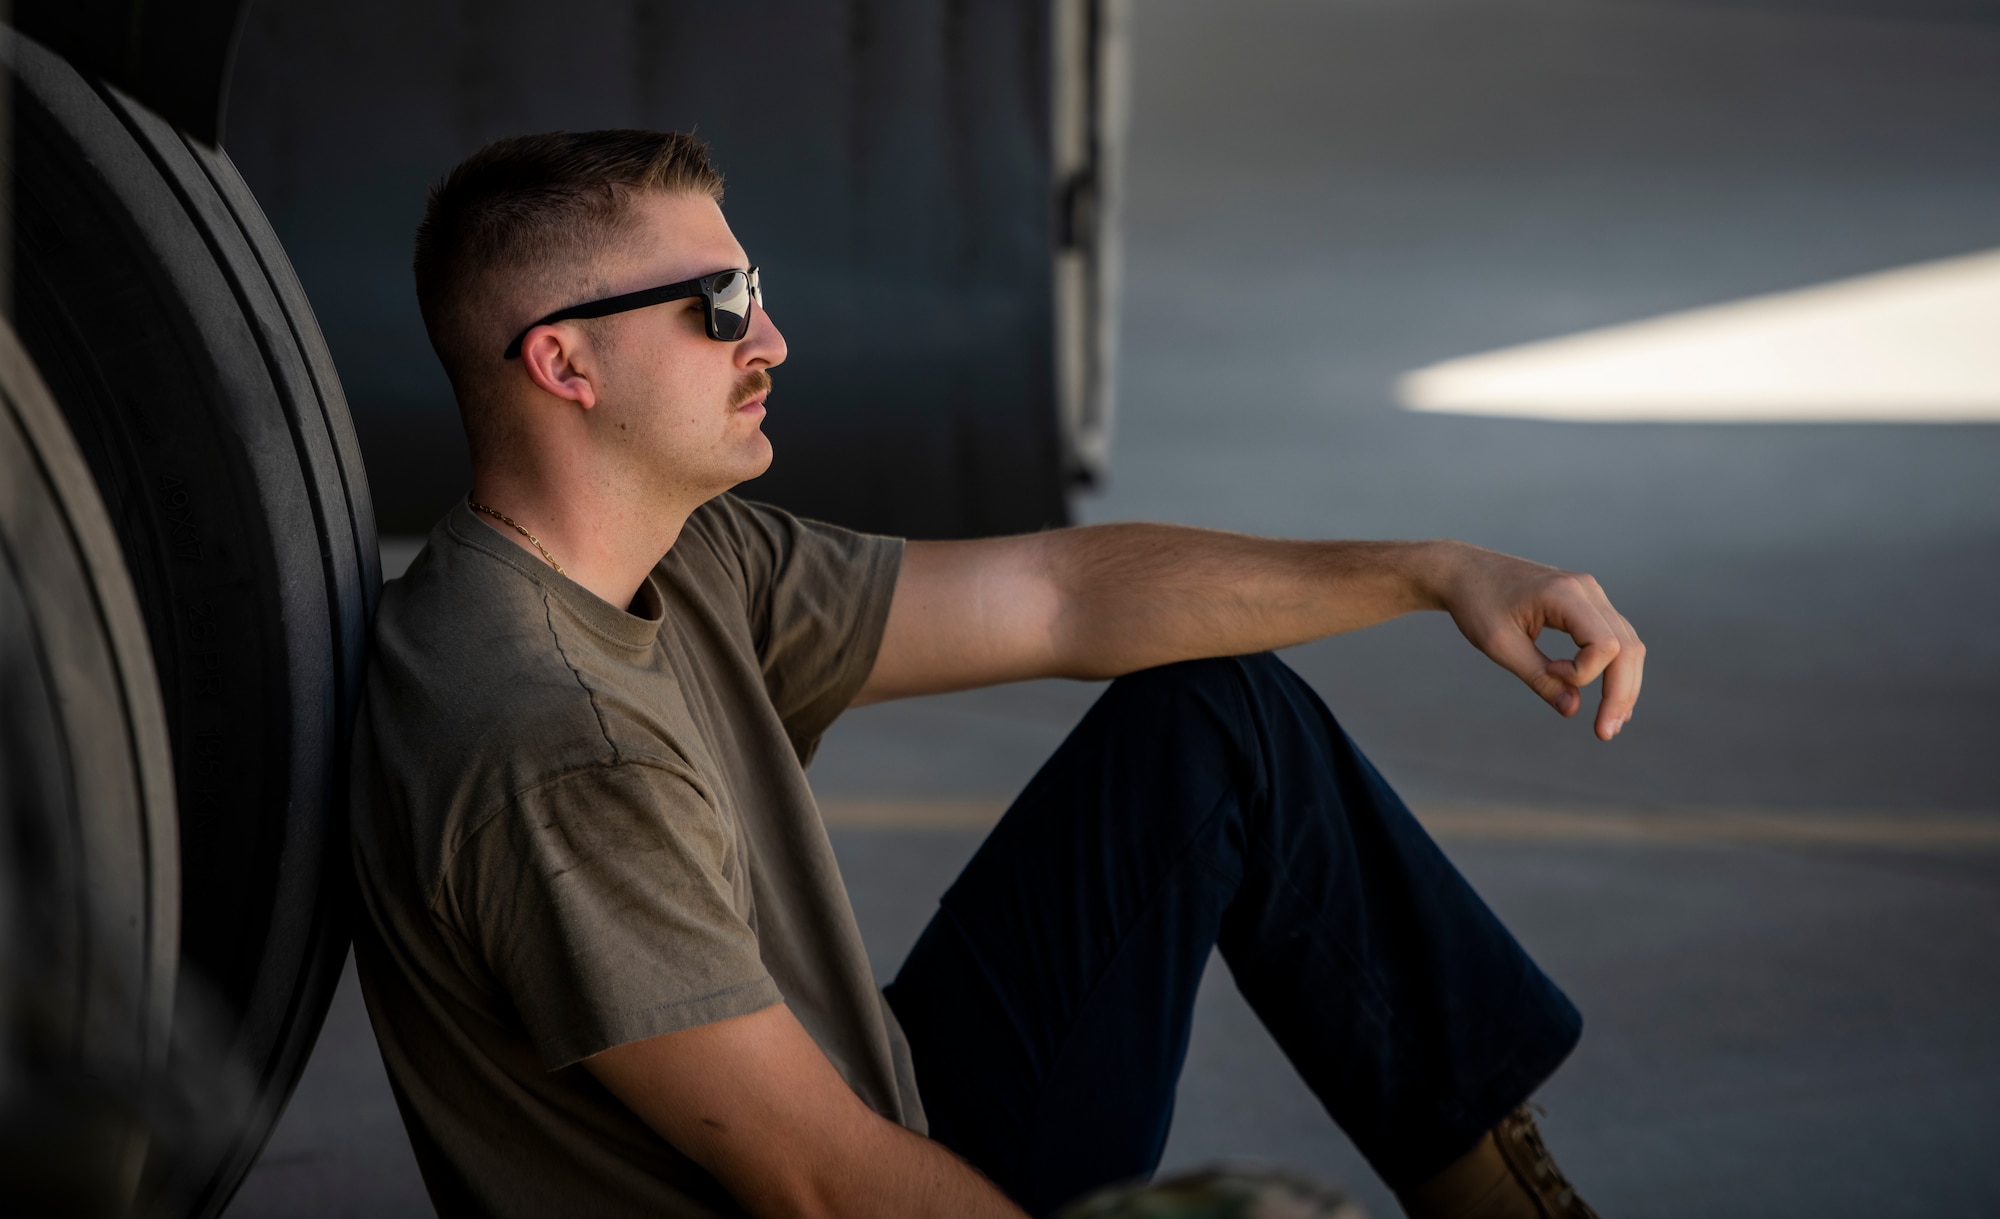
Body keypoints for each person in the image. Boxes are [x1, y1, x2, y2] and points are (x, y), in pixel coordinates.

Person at [349, 129, 1643, 1219]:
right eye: (721, 308)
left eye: (758, 289)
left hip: (875, 1121)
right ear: (562, 364)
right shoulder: (551, 741)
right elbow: (824, 1185)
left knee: (1218, 720)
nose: (772, 340)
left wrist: (1432, 571)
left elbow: (1056, 594)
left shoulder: (678, 556)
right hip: (838, 1193)